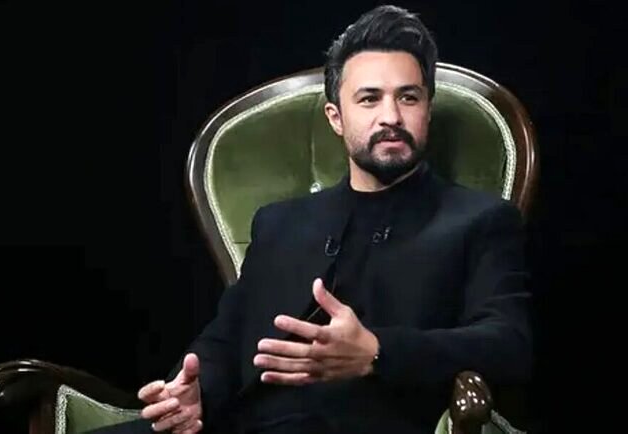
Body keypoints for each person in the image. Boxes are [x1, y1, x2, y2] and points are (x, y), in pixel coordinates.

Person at [89, 4, 532, 434]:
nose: (391, 117)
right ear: (335, 118)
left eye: (408, 97)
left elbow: (509, 345)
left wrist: (378, 352)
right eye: (369, 99)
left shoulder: (480, 220)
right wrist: (195, 393)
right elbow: (226, 339)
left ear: (427, 110)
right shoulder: (278, 224)